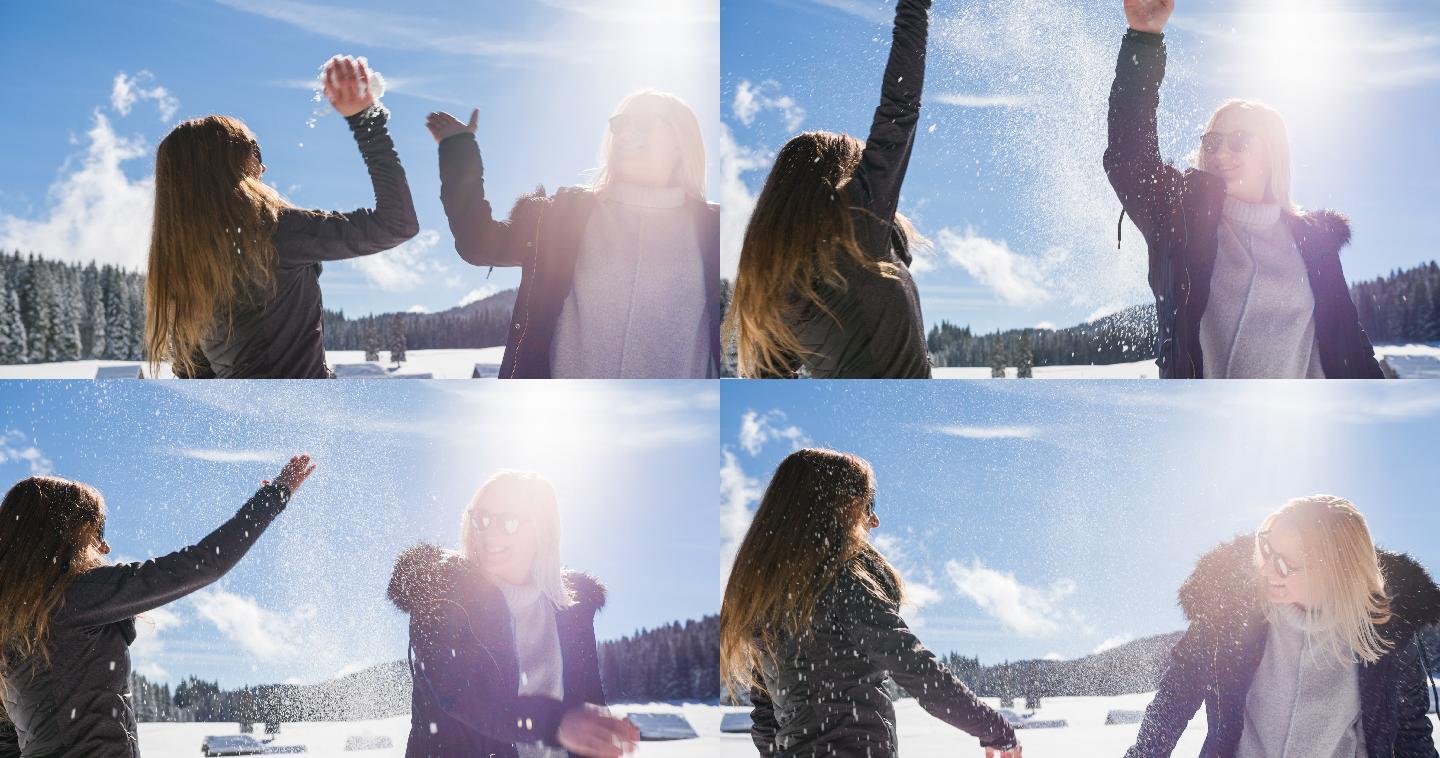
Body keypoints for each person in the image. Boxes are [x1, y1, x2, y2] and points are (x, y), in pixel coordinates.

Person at [1104, 0, 1383, 379]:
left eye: (1238, 141)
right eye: (1212, 141)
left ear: (1273, 155)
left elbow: (1350, 346)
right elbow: (1130, 155)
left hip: (1304, 435)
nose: (1220, 153)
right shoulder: (1180, 222)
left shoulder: (1314, 244)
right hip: (1200, 432)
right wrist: (1143, 38)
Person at [0, 455, 315, 758]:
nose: (106, 546)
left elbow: (8, 738)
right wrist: (275, 496)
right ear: (62, 536)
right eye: (97, 532)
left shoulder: (12, 619)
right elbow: (204, 562)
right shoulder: (78, 596)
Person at [720, 448, 1020, 757]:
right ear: (834, 508)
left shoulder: (766, 599)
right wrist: (995, 729)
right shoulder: (841, 581)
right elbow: (918, 670)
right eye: (868, 504)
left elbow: (766, 715)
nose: (873, 520)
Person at [145, 56, 419, 378]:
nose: (263, 167)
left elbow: (197, 377)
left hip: (242, 424)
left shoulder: (183, 266)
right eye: (255, 150)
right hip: (304, 420)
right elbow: (397, 223)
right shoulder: (274, 231)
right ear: (229, 167)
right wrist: (365, 118)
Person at [427, 90, 719, 379]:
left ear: (680, 142)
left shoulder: (718, 232)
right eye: (620, 123)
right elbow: (478, 243)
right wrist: (458, 149)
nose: (627, 131)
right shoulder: (561, 218)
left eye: (643, 122)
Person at [1127, 495, 1440, 757]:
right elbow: (1175, 697)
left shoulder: (1386, 634)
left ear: (1335, 570)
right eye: (1267, 549)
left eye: (1285, 564)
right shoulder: (1230, 614)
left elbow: (1410, 732)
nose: (1268, 570)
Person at [726, 0, 933, 379]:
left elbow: (768, 381)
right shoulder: (857, 220)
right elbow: (899, 108)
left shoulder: (784, 287)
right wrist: (915, 7)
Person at [388, 471, 639, 757]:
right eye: (482, 518)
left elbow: (588, 709)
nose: (490, 533)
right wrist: (557, 723)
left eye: (509, 522)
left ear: (541, 529)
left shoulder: (571, 612)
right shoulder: (441, 593)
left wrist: (601, 739)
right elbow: (465, 696)